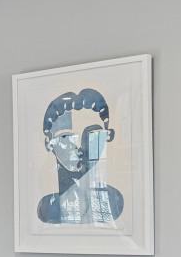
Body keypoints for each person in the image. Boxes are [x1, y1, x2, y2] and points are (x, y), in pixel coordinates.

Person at [38, 88, 123, 226]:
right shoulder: (48, 209)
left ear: (108, 136)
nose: (80, 147)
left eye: (93, 135)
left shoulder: (113, 202)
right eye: (66, 137)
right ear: (49, 144)